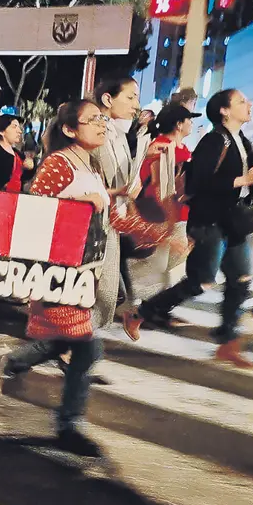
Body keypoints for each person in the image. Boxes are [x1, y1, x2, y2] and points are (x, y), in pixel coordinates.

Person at [0, 100, 113, 457]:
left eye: (102, 119)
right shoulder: (58, 163)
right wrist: (82, 202)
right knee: (86, 346)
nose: (101, 124)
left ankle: (4, 364)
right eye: (92, 119)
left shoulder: (91, 163)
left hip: (83, 273)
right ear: (69, 129)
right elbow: (36, 209)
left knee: (64, 342)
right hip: (59, 274)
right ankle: (69, 426)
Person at [134, 90, 253, 369]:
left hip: (234, 222)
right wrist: (243, 179)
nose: (249, 105)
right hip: (209, 220)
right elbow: (200, 184)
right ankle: (146, 310)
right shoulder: (214, 140)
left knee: (241, 280)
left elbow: (250, 181)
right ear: (224, 111)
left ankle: (227, 340)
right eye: (241, 101)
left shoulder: (243, 140)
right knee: (201, 280)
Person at [127, 103, 200, 304]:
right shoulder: (162, 148)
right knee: (154, 266)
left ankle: (157, 307)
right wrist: (168, 225)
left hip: (178, 215)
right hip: (160, 215)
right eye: (189, 120)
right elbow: (159, 189)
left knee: (172, 267)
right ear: (179, 124)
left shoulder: (181, 149)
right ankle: (140, 307)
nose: (192, 124)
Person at [93, 76, 142, 331]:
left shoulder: (120, 134)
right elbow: (86, 181)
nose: (136, 105)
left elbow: (123, 178)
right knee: (104, 296)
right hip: (95, 225)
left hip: (113, 222)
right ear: (108, 99)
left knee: (109, 295)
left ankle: (69, 343)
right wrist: (119, 191)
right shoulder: (95, 132)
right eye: (130, 97)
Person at [0, 114, 26, 192]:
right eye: (14, 127)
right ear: (1, 131)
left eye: (19, 127)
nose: (19, 131)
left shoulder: (18, 154)